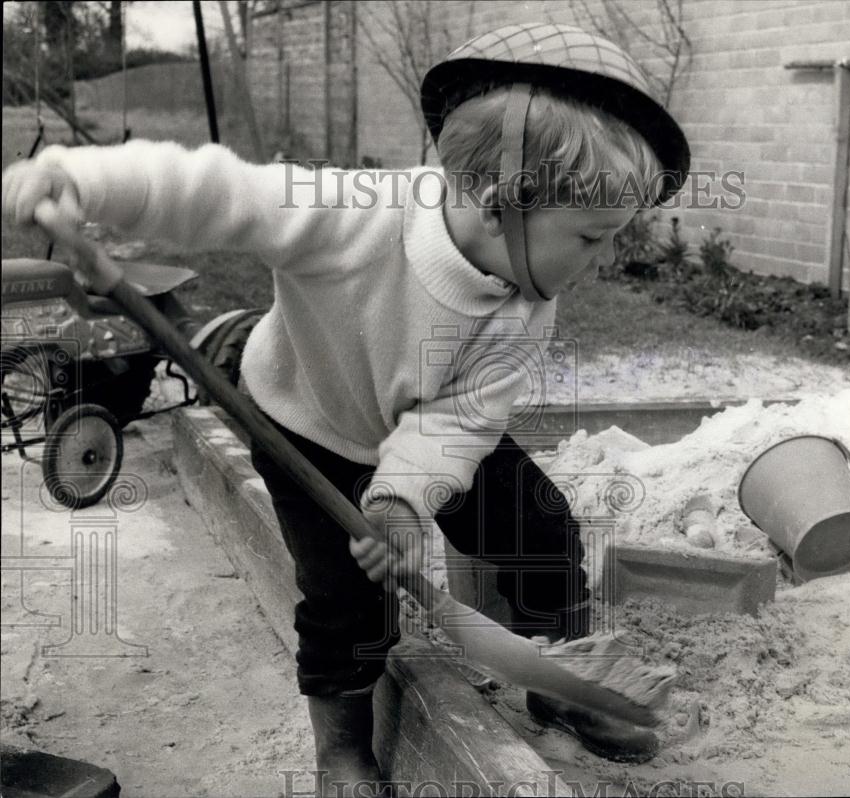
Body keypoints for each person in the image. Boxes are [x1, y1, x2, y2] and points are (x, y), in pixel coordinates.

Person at [2, 21, 689, 789]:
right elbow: (223, 193)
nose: (599, 262)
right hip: (309, 421)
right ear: (502, 204)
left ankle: (561, 677)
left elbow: (459, 420)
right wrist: (84, 181)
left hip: (428, 427)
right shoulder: (354, 215)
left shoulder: (528, 302)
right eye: (592, 237)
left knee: (541, 527)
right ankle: (343, 750)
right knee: (347, 601)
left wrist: (399, 502)